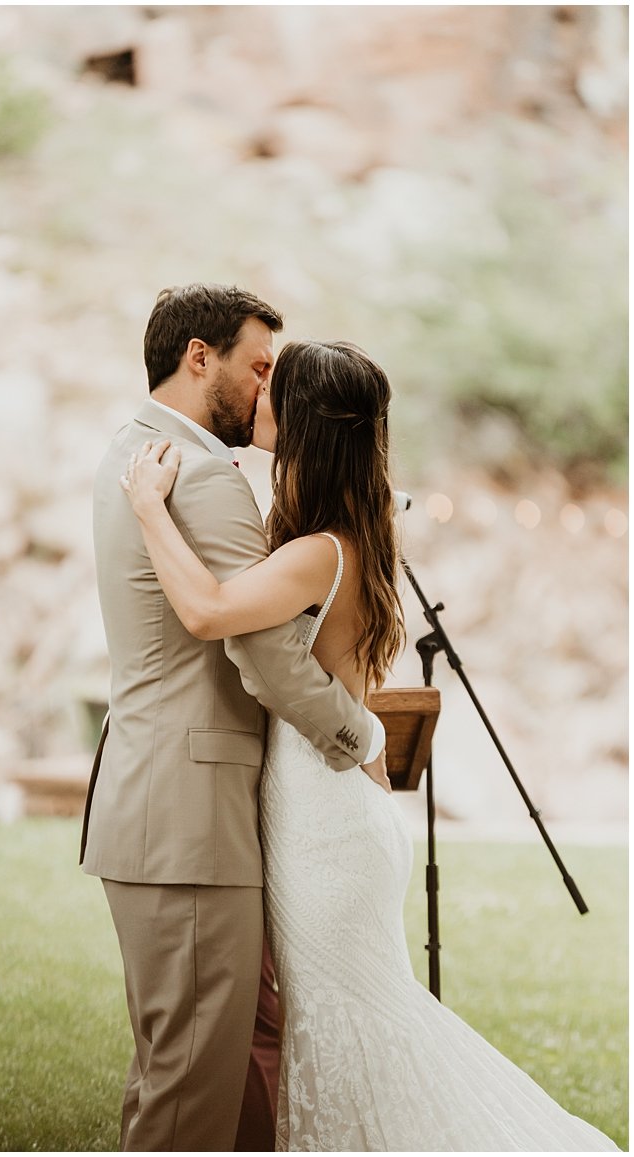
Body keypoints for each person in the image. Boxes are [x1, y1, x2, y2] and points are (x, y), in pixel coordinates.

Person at [121, 340, 618, 1152]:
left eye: (272, 389)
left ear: (307, 422)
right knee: (356, 1020)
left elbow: (208, 610)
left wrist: (148, 507)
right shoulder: (358, 527)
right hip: (342, 809)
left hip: (325, 827)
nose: (257, 397)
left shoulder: (320, 550)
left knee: (351, 1024)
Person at [79, 284, 383, 1152]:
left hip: (158, 798)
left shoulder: (132, 451)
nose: (267, 390)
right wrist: (356, 735)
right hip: (191, 815)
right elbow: (266, 654)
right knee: (189, 1092)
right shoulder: (205, 479)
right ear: (198, 357)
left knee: (202, 1070)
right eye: (258, 367)